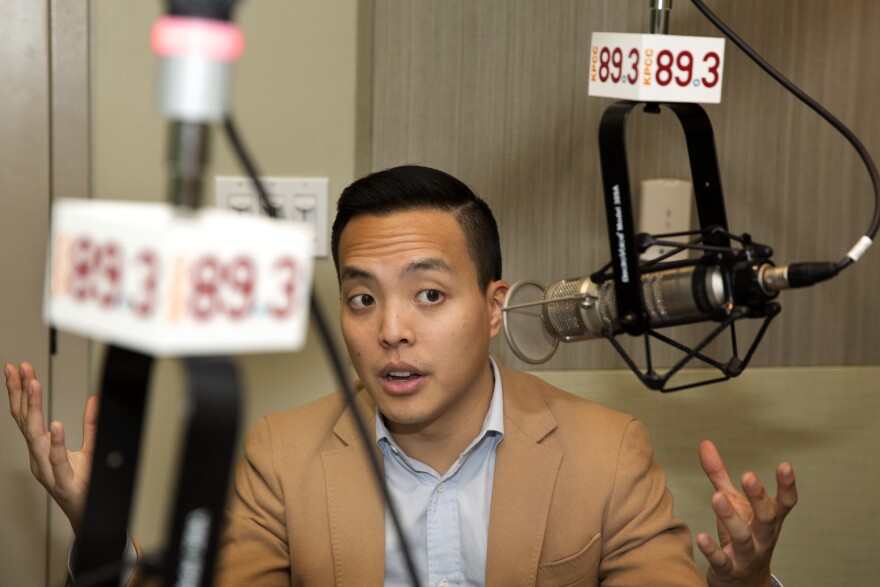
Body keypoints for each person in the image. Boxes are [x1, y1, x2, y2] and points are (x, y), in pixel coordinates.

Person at [6, 165, 797, 586]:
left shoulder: (605, 448)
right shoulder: (282, 456)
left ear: (493, 308)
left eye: (428, 294)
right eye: (360, 297)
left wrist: (747, 583)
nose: (391, 329)